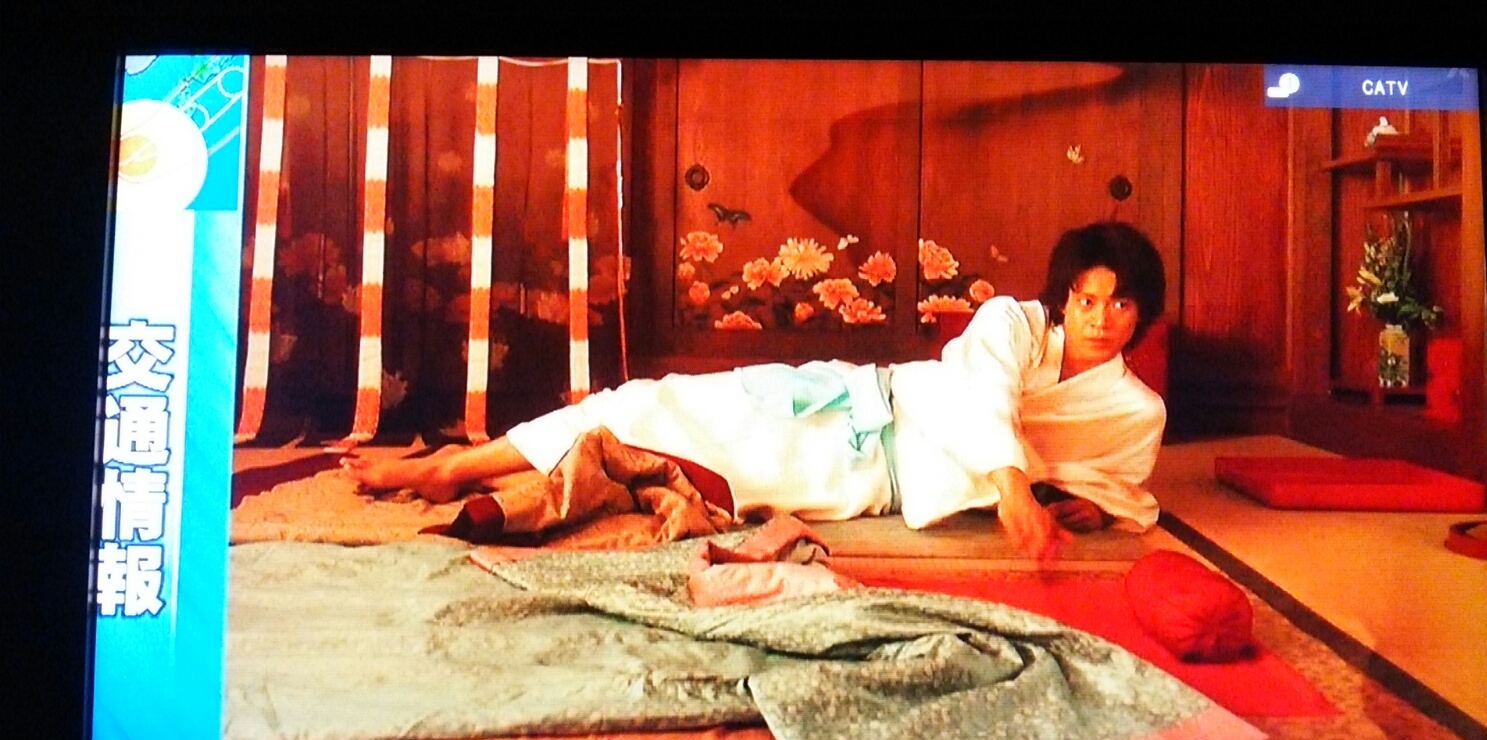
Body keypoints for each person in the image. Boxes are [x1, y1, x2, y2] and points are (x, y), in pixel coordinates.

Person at [342, 221, 1168, 561]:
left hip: (868, 480)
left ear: (1143, 314)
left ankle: (491, 482)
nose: (1100, 318)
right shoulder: (1013, 325)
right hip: (856, 406)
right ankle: (450, 469)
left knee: (670, 471)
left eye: (1121, 304)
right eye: (1086, 299)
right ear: (1063, 298)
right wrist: (1014, 486)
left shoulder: (1138, 410)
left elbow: (1124, 486)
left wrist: (1095, 507)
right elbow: (981, 395)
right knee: (640, 405)